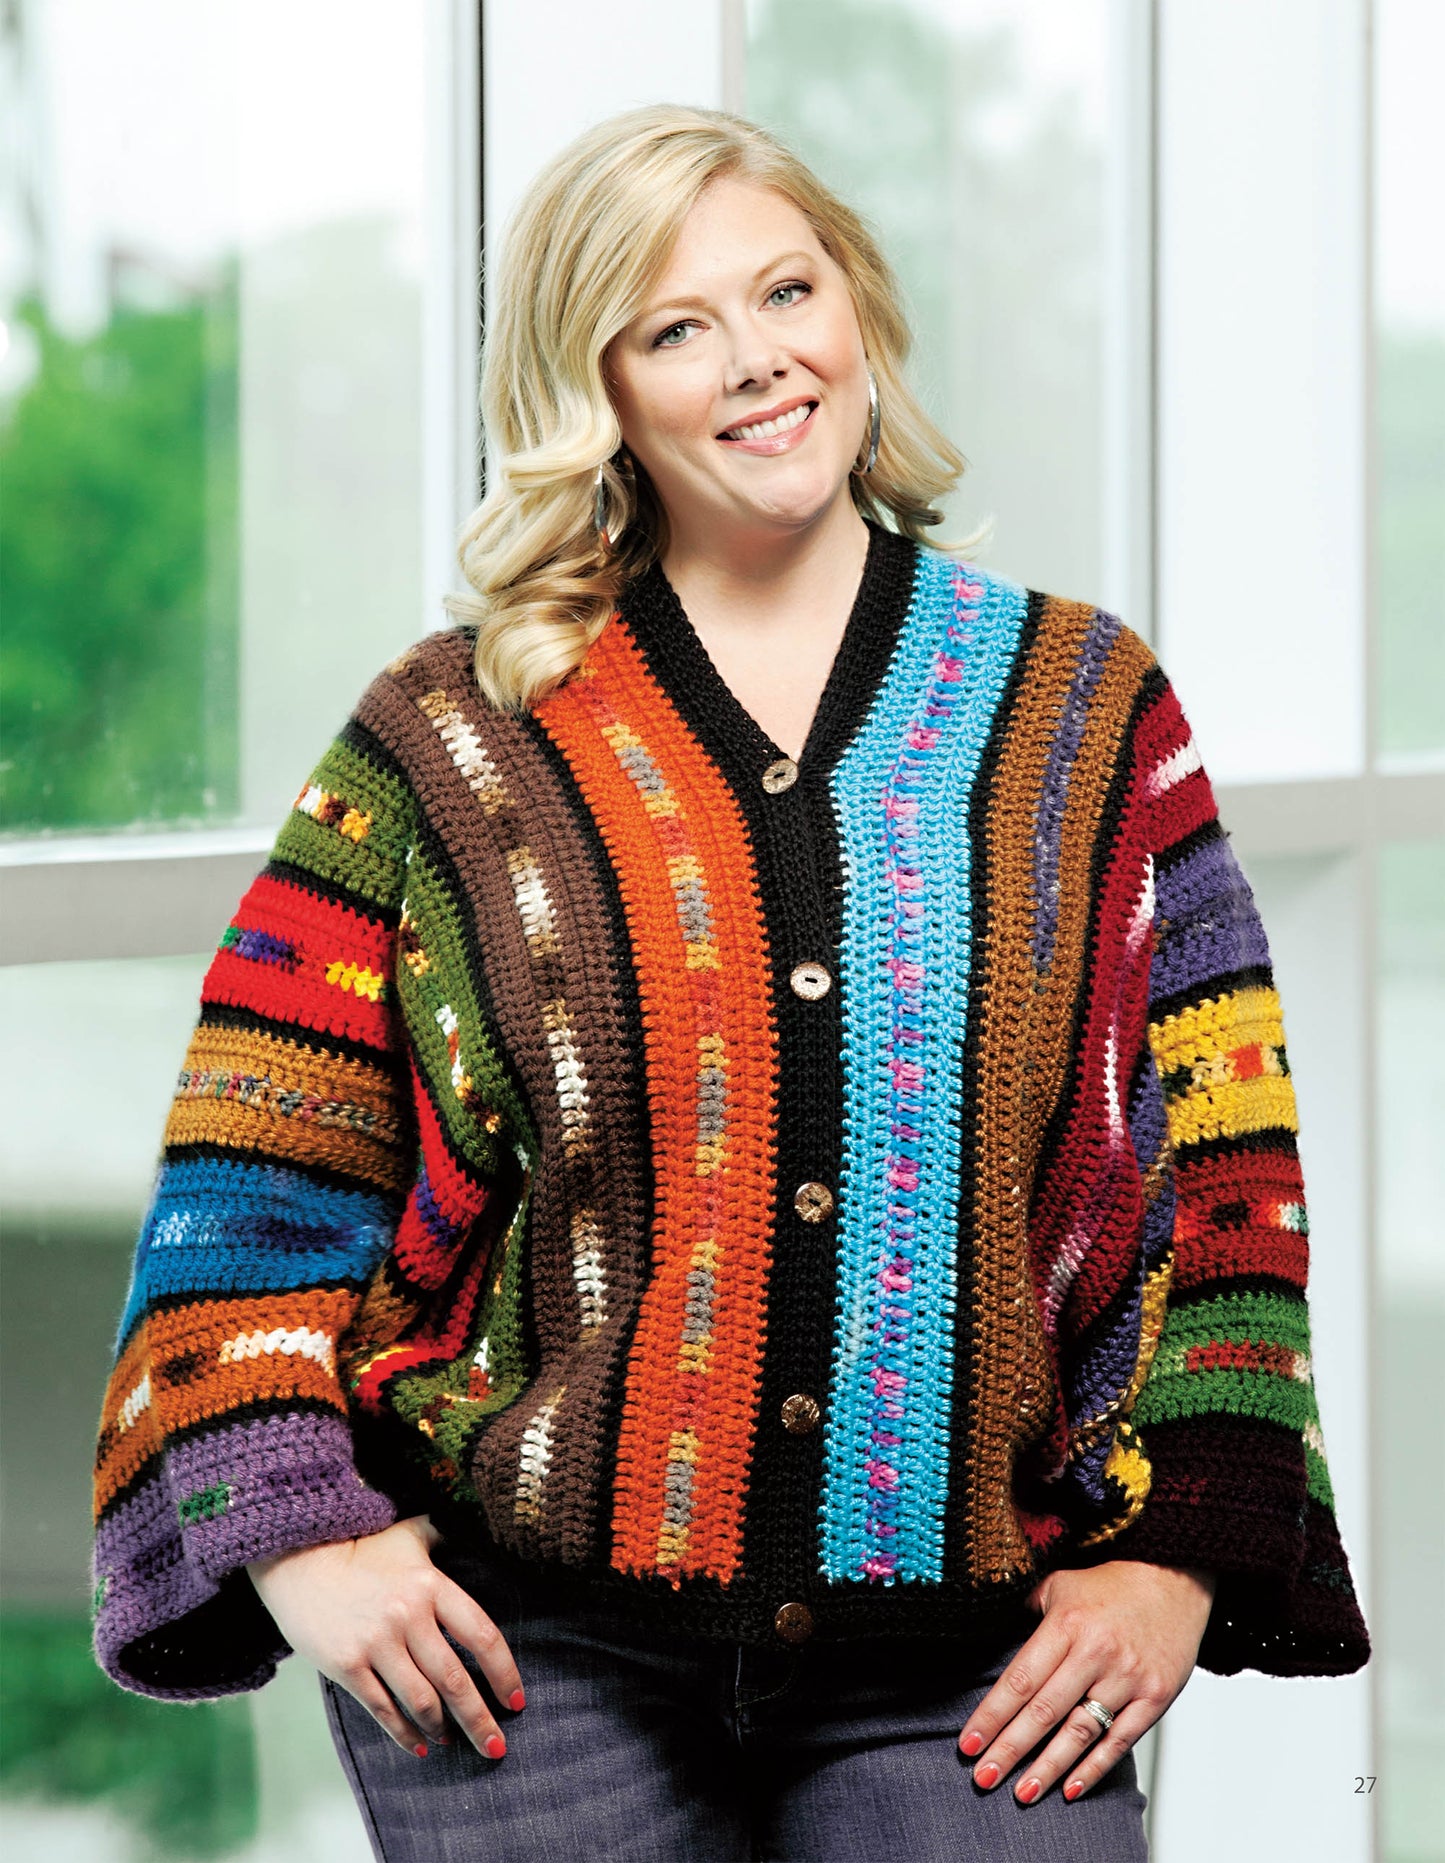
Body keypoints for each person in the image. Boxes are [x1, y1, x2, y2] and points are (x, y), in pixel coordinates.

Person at [90, 103, 1369, 1862]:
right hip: (523, 1650)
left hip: (969, 1648)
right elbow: (250, 1181)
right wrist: (310, 1535)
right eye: (675, 327)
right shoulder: (453, 736)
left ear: (857, 305)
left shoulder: (1079, 709)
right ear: (596, 388)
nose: (757, 361)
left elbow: (1232, 1169)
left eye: (788, 289)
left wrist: (1169, 1556)